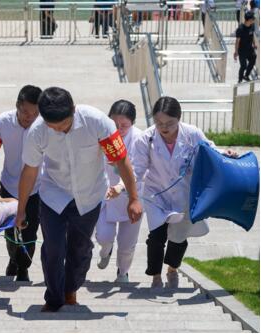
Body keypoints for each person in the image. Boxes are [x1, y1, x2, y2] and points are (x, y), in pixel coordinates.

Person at [16, 87, 143, 312]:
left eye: (63, 124)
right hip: (53, 194)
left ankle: (70, 289)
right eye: (52, 126)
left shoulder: (97, 122)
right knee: (53, 248)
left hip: (90, 194)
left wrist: (133, 198)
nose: (59, 130)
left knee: (80, 248)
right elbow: (29, 171)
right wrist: (21, 209)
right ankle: (54, 298)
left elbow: (121, 160)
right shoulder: (37, 131)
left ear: (73, 110)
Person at [132, 96, 237, 289]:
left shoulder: (192, 134)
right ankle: (155, 276)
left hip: (184, 194)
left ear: (179, 118)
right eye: (159, 123)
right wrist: (124, 187)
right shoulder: (145, 139)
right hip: (157, 194)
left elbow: (209, 151)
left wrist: (225, 153)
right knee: (156, 237)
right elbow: (136, 169)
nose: (164, 128)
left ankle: (172, 268)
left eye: (170, 123)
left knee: (179, 238)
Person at [0, 85, 42, 282]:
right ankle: (14, 259)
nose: (29, 117)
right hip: (9, 185)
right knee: (9, 228)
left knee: (30, 230)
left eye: (35, 113)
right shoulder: (1, 122)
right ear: (17, 105)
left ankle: (23, 267)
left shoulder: (45, 125)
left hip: (36, 188)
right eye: (25, 111)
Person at [94, 100, 143, 283]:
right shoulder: (100, 135)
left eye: (125, 125)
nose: (119, 129)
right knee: (103, 236)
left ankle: (123, 273)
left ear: (132, 123)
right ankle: (106, 250)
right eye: (115, 124)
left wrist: (121, 186)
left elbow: (138, 169)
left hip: (131, 196)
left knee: (127, 245)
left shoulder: (139, 139)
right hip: (105, 194)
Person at [234, 11, 258, 83]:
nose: (254, 20)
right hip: (242, 50)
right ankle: (240, 79)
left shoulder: (252, 26)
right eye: (253, 19)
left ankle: (246, 75)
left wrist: (254, 43)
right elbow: (237, 41)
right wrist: (236, 52)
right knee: (243, 66)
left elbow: (252, 35)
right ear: (249, 20)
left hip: (250, 49)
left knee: (253, 58)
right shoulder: (240, 29)